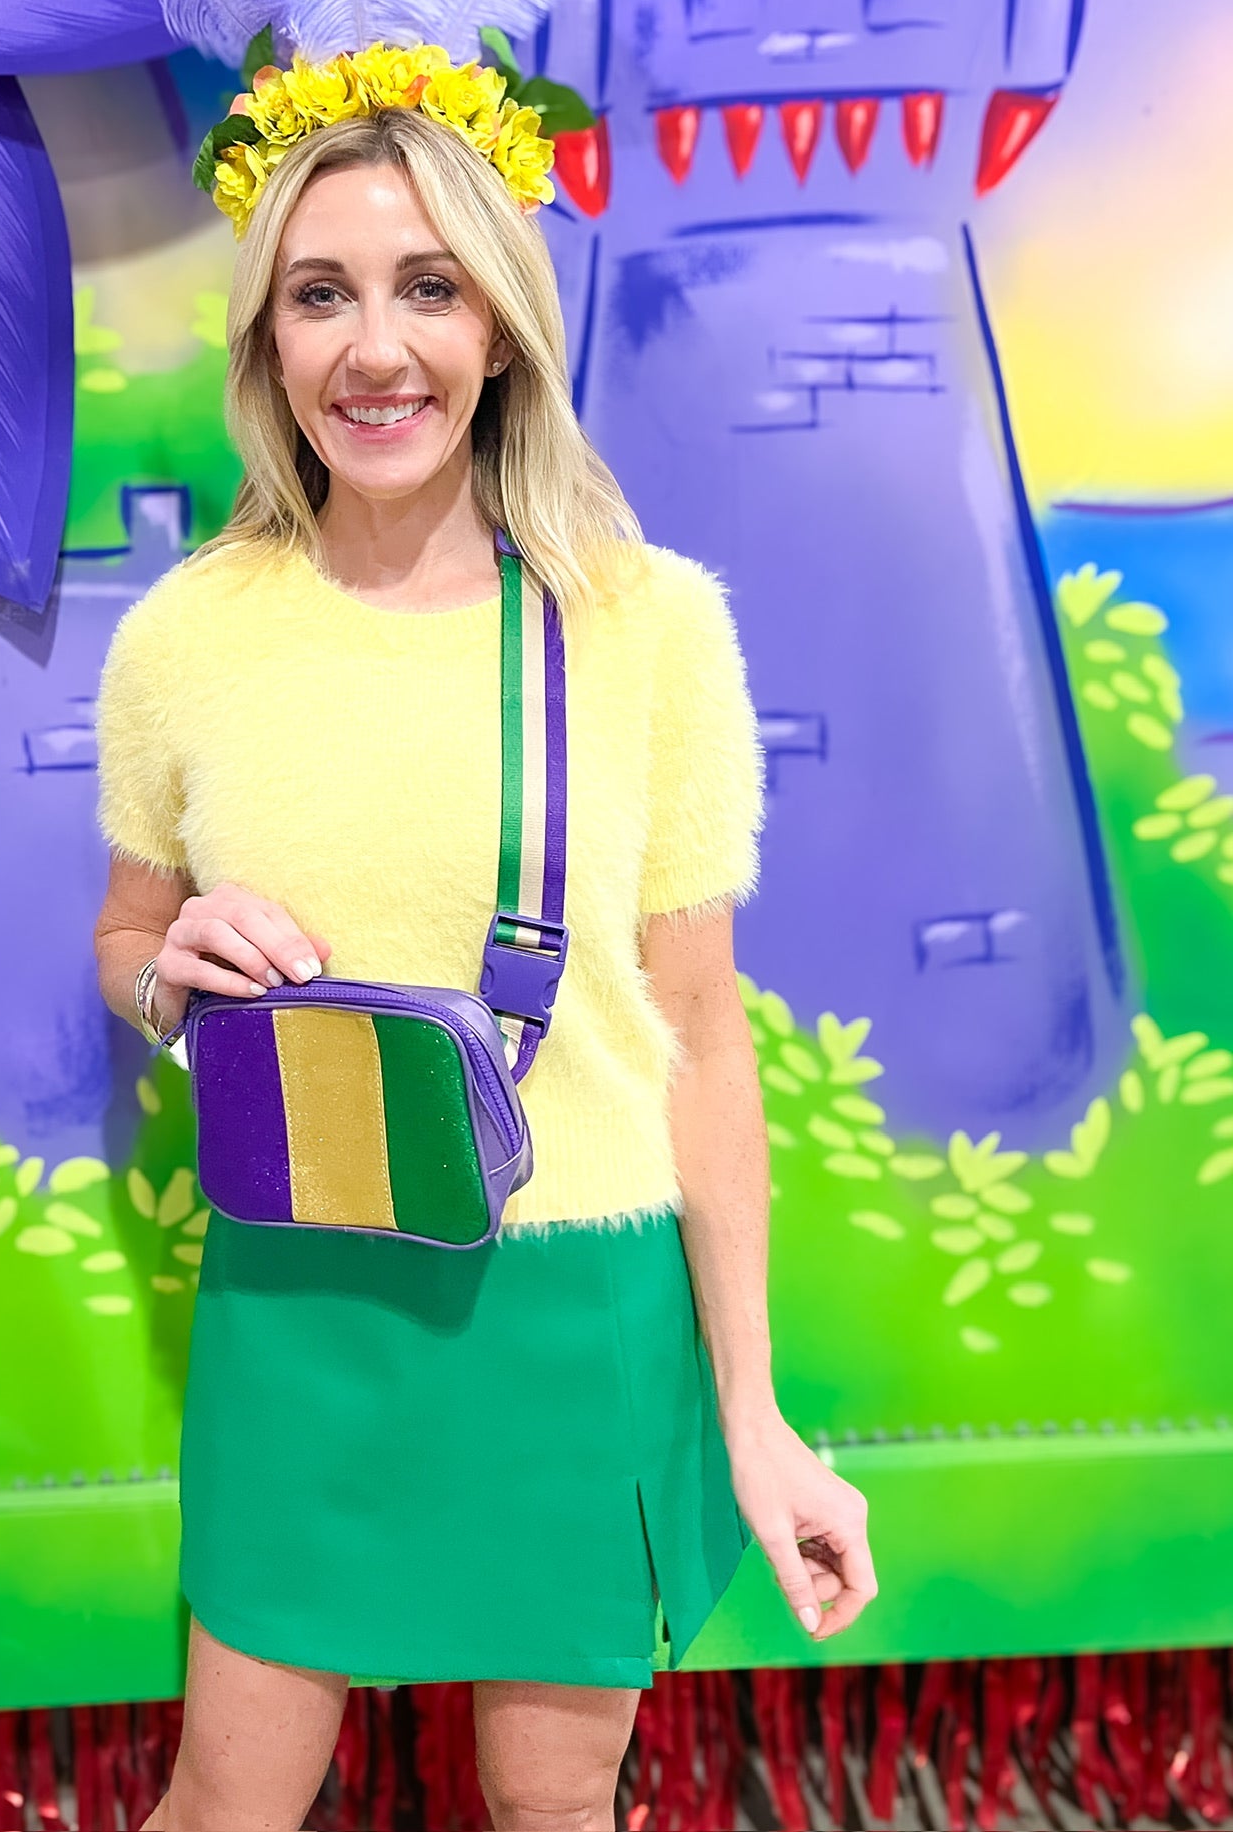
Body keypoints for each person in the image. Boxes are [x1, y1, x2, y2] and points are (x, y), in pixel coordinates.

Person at [92, 89, 876, 1830]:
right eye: (321, 293)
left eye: (430, 288)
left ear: (504, 328)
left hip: (577, 1315)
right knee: (224, 1803)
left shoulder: (651, 624)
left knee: (556, 1805)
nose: (376, 348)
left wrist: (754, 1415)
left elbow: (698, 1029)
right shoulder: (183, 636)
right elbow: (128, 936)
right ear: (267, 338)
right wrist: (164, 976)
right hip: (301, 1303)